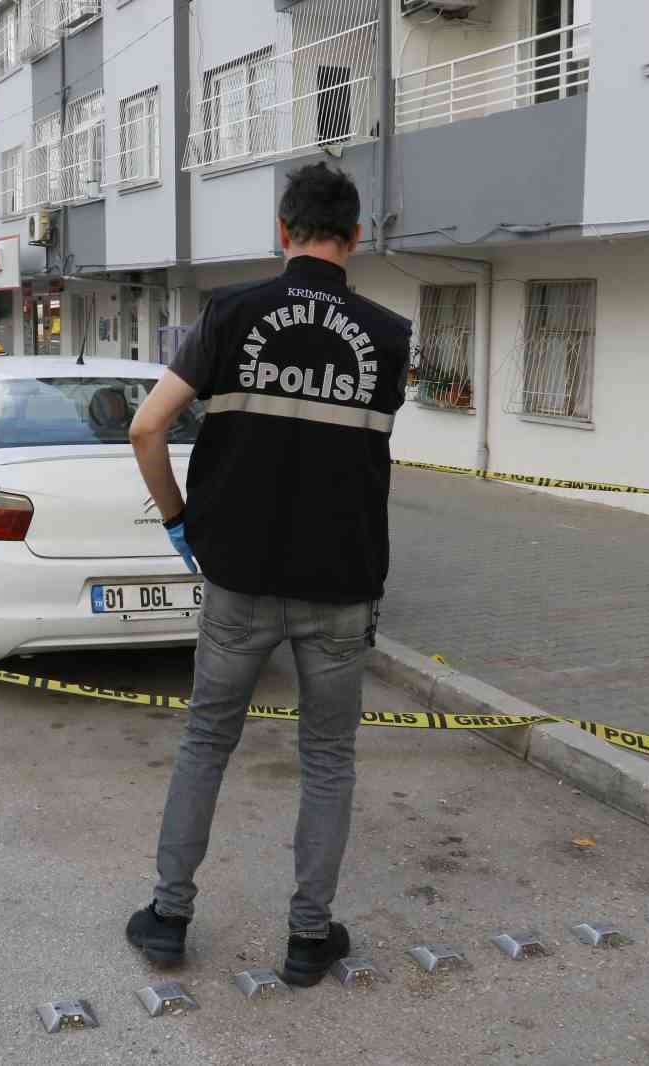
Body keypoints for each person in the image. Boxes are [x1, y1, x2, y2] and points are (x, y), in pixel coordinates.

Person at [122, 163, 411, 985]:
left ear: (281, 232)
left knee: (207, 742)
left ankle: (169, 918)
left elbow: (147, 430)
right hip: (343, 586)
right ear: (355, 238)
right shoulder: (388, 337)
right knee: (328, 759)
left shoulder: (231, 313)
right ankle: (307, 939)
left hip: (240, 578)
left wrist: (180, 521)